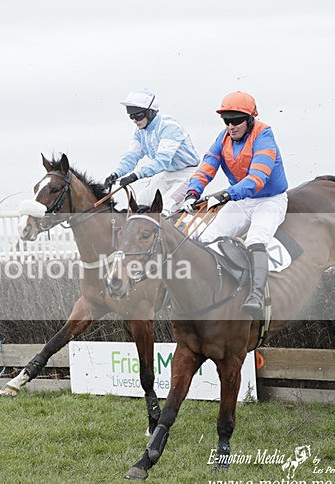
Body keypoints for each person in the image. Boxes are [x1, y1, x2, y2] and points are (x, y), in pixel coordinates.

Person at [175, 91, 288, 318]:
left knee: (255, 240)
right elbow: (207, 166)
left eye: (236, 120)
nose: (231, 126)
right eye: (226, 120)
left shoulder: (264, 135)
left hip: (269, 200)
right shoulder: (223, 137)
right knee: (206, 239)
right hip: (242, 201)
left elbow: (257, 178)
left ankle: (256, 296)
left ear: (250, 119)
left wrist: (227, 194)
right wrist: (192, 193)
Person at [104, 89, 200, 211]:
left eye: (138, 116)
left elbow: (162, 161)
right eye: (131, 116)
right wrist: (116, 174)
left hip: (188, 174)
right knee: (140, 203)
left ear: (150, 112)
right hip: (166, 174)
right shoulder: (140, 131)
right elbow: (131, 157)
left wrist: (135, 176)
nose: (134, 120)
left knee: (165, 207)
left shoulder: (169, 126)